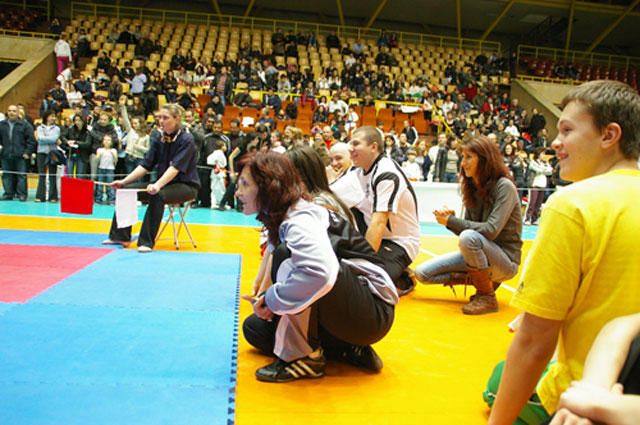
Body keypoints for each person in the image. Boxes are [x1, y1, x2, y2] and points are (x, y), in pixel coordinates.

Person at [487, 80, 640, 425]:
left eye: (567, 130)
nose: (555, 142)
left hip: (584, 404)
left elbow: (534, 343)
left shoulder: (572, 205)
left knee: (497, 384)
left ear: (609, 135)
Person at [239, 151, 397, 382]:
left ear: (269, 187)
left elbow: (320, 273)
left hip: (369, 310)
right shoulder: (291, 212)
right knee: (256, 329)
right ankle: (344, 348)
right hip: (349, 305)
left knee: (289, 257)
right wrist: (266, 299)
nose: (238, 192)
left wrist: (273, 299)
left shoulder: (303, 217)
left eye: (245, 185)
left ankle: (306, 358)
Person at [415, 136, 522, 314]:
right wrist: (451, 221)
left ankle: (486, 295)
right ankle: (484, 280)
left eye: (468, 157)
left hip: (506, 261)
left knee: (468, 237)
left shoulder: (505, 186)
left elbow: (491, 231)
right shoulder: (472, 188)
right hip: (482, 253)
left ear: (485, 159)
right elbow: (469, 237)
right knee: (422, 274)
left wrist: (452, 221)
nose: (462, 163)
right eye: (462, 157)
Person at [331, 126, 420, 295]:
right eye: (350, 144)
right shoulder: (355, 170)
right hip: (371, 233)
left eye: (355, 144)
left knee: (364, 286)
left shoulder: (386, 174)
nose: (350, 149)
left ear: (373, 147)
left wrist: (365, 265)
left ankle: (404, 279)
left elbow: (379, 222)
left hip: (399, 242)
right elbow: (328, 197)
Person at [102, 104, 200, 252]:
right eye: (160, 117)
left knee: (157, 195)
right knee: (126, 191)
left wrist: (157, 185)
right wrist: (123, 181)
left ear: (176, 119)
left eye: (165, 118)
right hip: (163, 184)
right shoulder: (158, 138)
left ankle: (146, 242)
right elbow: (145, 165)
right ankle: (120, 236)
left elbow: (175, 169)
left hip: (186, 186)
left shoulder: (186, 140)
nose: (161, 121)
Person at [546, 313, 640, 425]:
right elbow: (623, 325)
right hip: (580, 408)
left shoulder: (596, 404)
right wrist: (592, 389)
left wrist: (599, 404)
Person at [34, 110, 61, 203]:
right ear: (46, 117)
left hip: (52, 152)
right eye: (51, 116)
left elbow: (54, 138)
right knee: (42, 174)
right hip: (41, 153)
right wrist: (48, 139)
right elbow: (39, 140)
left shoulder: (57, 129)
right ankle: (40, 196)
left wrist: (43, 138)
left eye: (54, 116)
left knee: (52, 175)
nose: (53, 118)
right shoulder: (39, 128)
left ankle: (53, 196)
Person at [94, 134, 118, 205]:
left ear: (111, 142)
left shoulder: (113, 150)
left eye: (108, 140)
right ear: (103, 141)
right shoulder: (100, 150)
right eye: (105, 140)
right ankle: (98, 200)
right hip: (101, 169)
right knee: (100, 186)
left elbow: (116, 161)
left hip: (110, 170)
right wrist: (99, 155)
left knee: (110, 186)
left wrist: (114, 155)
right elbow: (96, 160)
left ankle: (112, 200)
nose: (107, 141)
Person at [206, 139, 227, 210]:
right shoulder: (218, 153)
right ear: (221, 146)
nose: (226, 147)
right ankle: (218, 203)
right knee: (218, 189)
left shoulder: (219, 153)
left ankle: (217, 203)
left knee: (217, 189)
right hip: (218, 173)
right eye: (225, 145)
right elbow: (209, 160)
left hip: (219, 172)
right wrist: (215, 166)